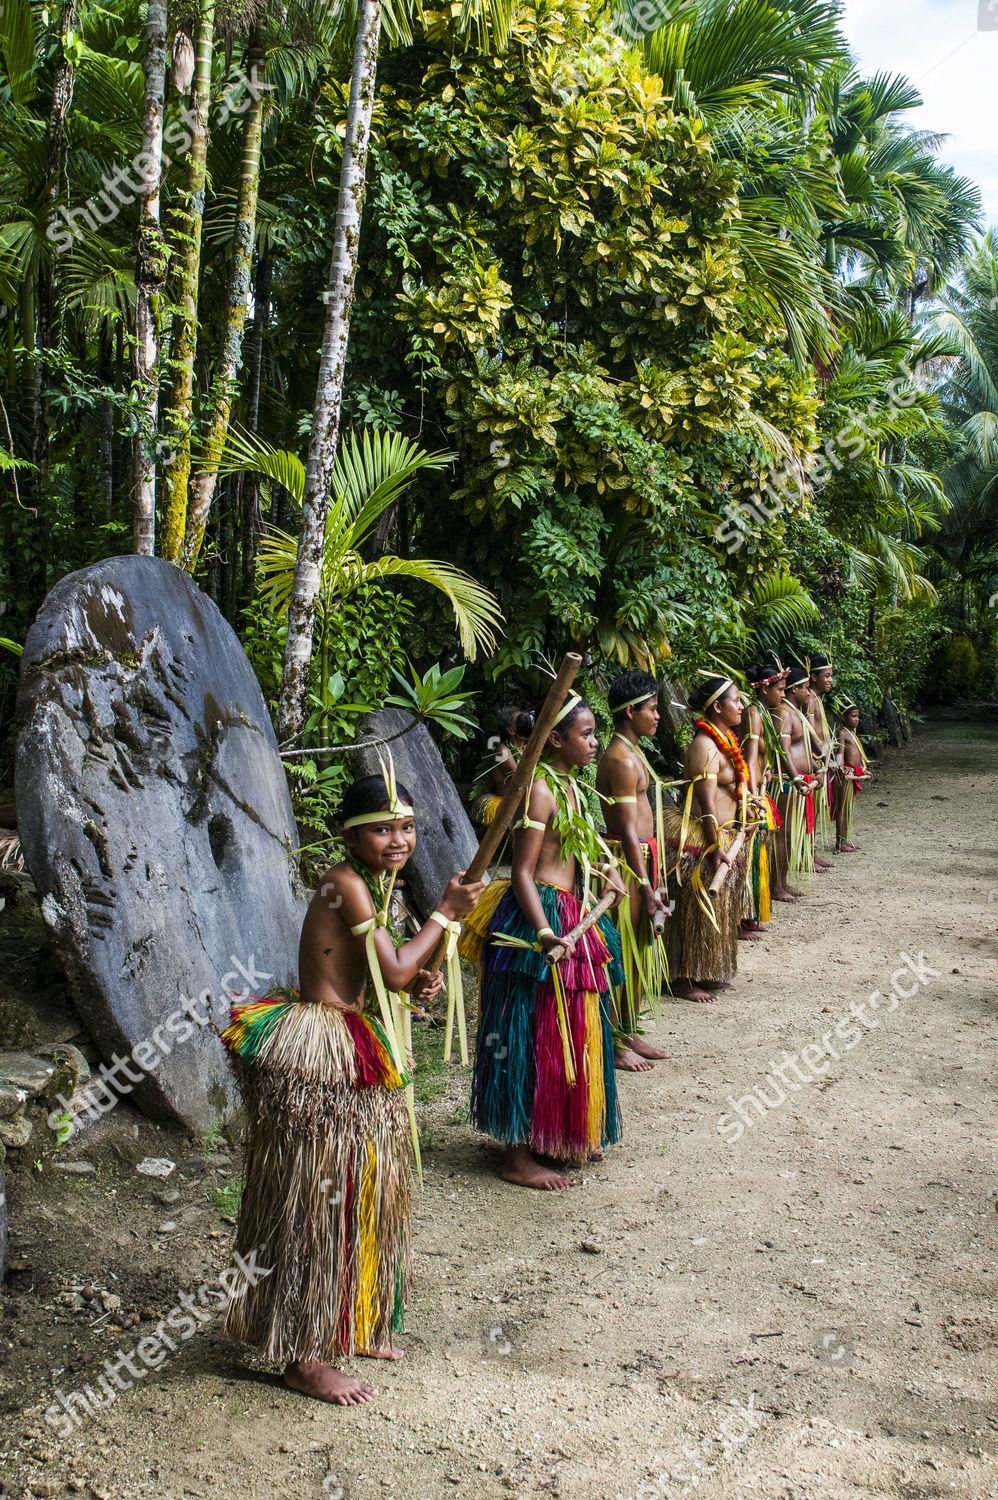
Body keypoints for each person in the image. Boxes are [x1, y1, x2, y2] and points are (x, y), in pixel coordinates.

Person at [220, 771, 484, 1406]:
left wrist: (423, 972)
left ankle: (345, 1316)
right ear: (350, 834)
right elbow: (394, 972)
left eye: (408, 827)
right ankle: (303, 1355)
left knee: (360, 1187)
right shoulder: (345, 885)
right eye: (384, 829)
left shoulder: (369, 885)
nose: (400, 840)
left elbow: (395, 973)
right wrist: (444, 916)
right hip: (323, 1056)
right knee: (315, 1197)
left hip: (349, 1043)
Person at [460, 693, 624, 1191]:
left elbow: (573, 854)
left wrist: (605, 870)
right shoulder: (540, 792)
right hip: (539, 918)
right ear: (555, 739)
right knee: (526, 1028)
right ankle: (516, 1152)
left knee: (572, 1025)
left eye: (596, 733)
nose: (595, 743)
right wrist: (546, 931)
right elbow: (523, 873)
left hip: (570, 911)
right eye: (586, 734)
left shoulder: (573, 788)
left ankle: (561, 1128)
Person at [596, 671, 671, 1072]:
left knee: (642, 943)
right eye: (652, 709)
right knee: (622, 949)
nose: (657, 716)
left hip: (643, 857)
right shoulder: (620, 758)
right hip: (627, 864)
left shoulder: (633, 751)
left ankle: (628, 1026)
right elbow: (626, 828)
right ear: (630, 711)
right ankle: (612, 1038)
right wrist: (643, 884)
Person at [663, 675, 749, 1003]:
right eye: (735, 701)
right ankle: (683, 978)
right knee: (695, 910)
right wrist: (714, 845)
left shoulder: (724, 740)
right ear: (717, 707)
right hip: (702, 837)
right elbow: (707, 802)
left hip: (725, 836)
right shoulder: (704, 745)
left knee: (719, 910)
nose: (740, 707)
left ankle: (706, 970)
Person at [740, 662, 791, 916]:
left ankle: (755, 911)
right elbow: (748, 760)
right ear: (764, 689)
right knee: (751, 852)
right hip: (754, 793)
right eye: (780, 689)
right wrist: (752, 798)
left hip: (760, 788)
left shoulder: (761, 713)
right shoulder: (753, 714)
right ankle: (747, 914)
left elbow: (759, 757)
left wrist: (767, 768)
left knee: (760, 848)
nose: (783, 694)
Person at [777, 666, 823, 879]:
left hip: (803, 781)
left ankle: (783, 883)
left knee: (792, 833)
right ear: (794, 689)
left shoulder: (797, 713)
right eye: (805, 687)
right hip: (789, 782)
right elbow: (784, 750)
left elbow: (803, 749)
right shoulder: (785, 713)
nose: (808, 692)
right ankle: (778, 885)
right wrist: (795, 778)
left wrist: (817, 769)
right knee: (785, 834)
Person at [469, 707, 533, 827]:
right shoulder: (502, 751)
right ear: (511, 730)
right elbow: (522, 778)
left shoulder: (527, 749)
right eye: (519, 721)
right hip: (503, 802)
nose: (524, 721)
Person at [804, 653, 836, 870]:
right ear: (813, 677)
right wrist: (819, 759)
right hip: (813, 760)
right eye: (827, 675)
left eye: (831, 676)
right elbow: (806, 732)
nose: (830, 680)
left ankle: (811, 852)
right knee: (808, 812)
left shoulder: (816, 699)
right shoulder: (808, 698)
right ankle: (807, 854)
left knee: (813, 811)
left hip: (820, 759)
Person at [834, 704, 873, 852]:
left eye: (858, 716)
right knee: (842, 809)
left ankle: (844, 838)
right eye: (853, 716)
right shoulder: (842, 733)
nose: (857, 719)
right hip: (846, 775)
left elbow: (856, 755)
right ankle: (840, 842)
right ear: (844, 717)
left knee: (848, 808)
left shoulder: (852, 732)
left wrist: (863, 770)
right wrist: (842, 770)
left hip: (854, 774)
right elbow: (840, 754)